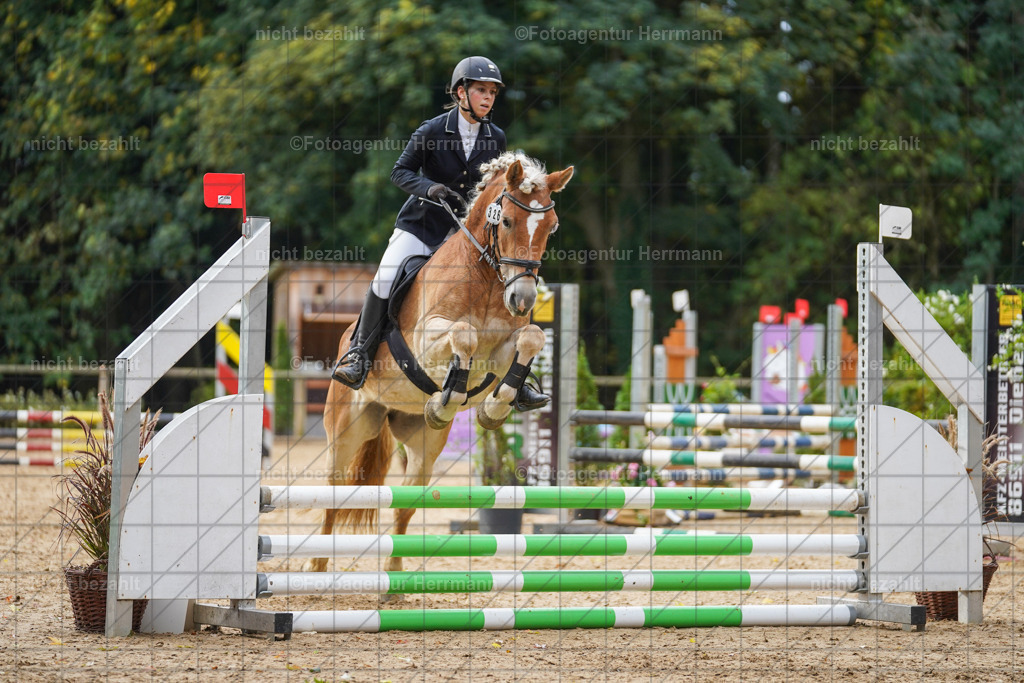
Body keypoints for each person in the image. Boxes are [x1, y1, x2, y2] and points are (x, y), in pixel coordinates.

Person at [331, 56, 549, 410]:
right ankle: (359, 355)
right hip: (422, 226)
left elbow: (497, 189)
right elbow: (400, 172)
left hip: (468, 234)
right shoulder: (432, 130)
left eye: (492, 92)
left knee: (512, 275)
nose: (488, 97)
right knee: (386, 276)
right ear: (461, 92)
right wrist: (429, 188)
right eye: (481, 90)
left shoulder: (496, 137)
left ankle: (519, 378)